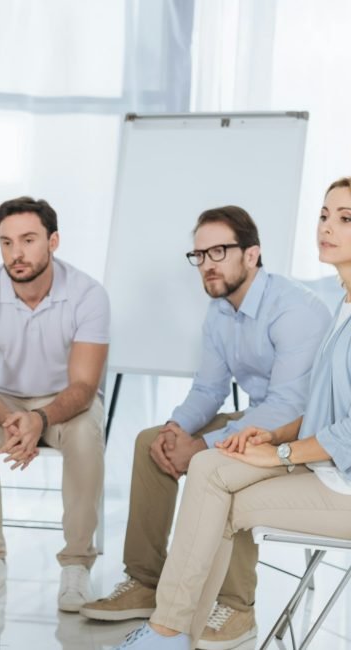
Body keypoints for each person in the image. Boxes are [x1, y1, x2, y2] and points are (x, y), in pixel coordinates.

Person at [114, 178, 351, 649]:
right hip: (322, 459)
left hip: (337, 475)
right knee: (209, 475)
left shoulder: (301, 310)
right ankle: (174, 627)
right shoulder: (343, 304)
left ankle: (181, 628)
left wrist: (278, 449)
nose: (326, 227)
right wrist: (260, 439)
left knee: (212, 479)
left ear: (252, 254)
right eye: (324, 215)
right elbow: (313, 407)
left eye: (345, 219)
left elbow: (312, 412)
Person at [0, 196, 109, 612]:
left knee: (85, 437)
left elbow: (84, 384)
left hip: (66, 403)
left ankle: (76, 564)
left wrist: (40, 419)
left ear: (53, 241)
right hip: (3, 402)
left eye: (27, 240)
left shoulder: (88, 294)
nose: (16, 253)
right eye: (6, 242)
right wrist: (16, 421)